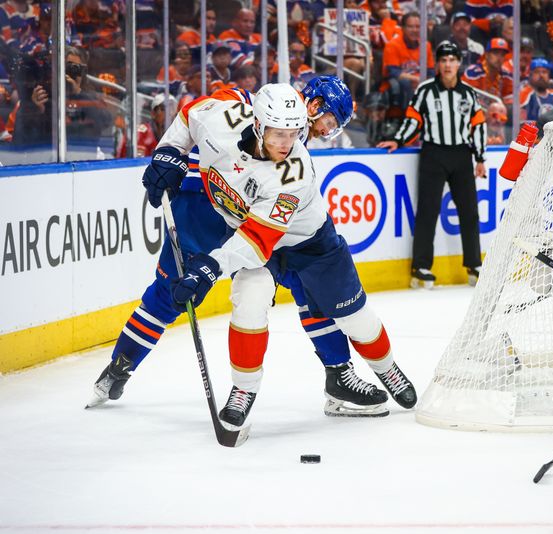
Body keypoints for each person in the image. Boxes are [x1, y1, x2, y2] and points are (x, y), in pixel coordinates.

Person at [87, 78, 408, 418]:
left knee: (309, 288)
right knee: (170, 293)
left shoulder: (294, 161)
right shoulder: (239, 106)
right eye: (327, 122)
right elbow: (192, 116)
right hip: (203, 209)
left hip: (255, 223)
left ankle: (339, 373)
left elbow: (262, 229)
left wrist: (215, 263)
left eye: (325, 128)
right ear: (312, 106)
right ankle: (120, 366)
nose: (318, 132)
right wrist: (169, 154)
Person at [377, 42, 487, 288]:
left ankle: (474, 264)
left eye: (452, 60)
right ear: (437, 64)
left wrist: (479, 157)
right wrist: (397, 140)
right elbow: (412, 120)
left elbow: (478, 125)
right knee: (428, 211)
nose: (447, 65)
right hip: (433, 154)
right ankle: (421, 267)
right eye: (443, 60)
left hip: (461, 155)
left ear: (459, 63)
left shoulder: (469, 93)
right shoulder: (426, 90)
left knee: (469, 212)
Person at [517, 58, 553, 123]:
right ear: (530, 75)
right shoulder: (524, 93)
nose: (541, 75)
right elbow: (520, 121)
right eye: (537, 72)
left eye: (544, 72)